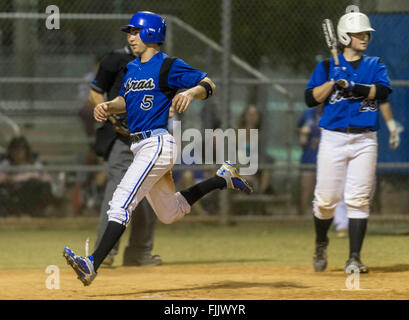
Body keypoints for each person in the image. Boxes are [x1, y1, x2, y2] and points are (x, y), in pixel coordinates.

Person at [63, 11, 253, 286]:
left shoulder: (167, 66)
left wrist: (189, 92)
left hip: (157, 143)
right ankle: (222, 178)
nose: (130, 37)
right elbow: (126, 100)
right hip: (139, 146)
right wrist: (107, 106)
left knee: (120, 203)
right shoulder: (131, 68)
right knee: (169, 213)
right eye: (129, 33)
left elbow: (208, 83)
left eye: (134, 31)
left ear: (151, 33)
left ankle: (91, 264)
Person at [304, 7, 393, 273]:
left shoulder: (374, 64)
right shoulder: (326, 67)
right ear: (344, 36)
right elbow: (310, 98)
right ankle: (321, 241)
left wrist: (353, 87)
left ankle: (354, 257)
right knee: (325, 200)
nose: (364, 37)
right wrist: (333, 83)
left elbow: (383, 90)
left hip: (365, 139)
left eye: (366, 33)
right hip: (333, 138)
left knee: (359, 198)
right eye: (358, 34)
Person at [89, 37, 162, 266]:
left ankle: (139, 252)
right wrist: (111, 117)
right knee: (118, 191)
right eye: (133, 33)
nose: (134, 38)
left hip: (148, 137)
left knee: (149, 192)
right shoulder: (115, 59)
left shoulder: (158, 64)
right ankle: (106, 253)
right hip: (119, 137)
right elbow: (96, 91)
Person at [297, 107, 348, 237]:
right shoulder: (308, 113)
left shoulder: (334, 110)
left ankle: (330, 220)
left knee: (329, 191)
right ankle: (303, 219)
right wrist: (302, 134)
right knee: (306, 188)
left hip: (329, 156)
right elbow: (299, 130)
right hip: (310, 155)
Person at [0, 136, 54, 217]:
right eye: (15, 149)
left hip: (30, 195)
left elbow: (47, 178)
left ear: (26, 150)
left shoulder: (34, 165)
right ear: (10, 151)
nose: (18, 152)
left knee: (39, 185)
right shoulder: (6, 164)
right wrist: (19, 177)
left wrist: (33, 176)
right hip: (13, 194)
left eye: (21, 149)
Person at [236, 105, 275, 195]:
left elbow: (260, 155)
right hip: (240, 164)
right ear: (244, 116)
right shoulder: (238, 132)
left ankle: (260, 195)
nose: (252, 117)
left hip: (256, 165)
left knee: (267, 165)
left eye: (255, 115)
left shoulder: (260, 134)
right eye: (249, 114)